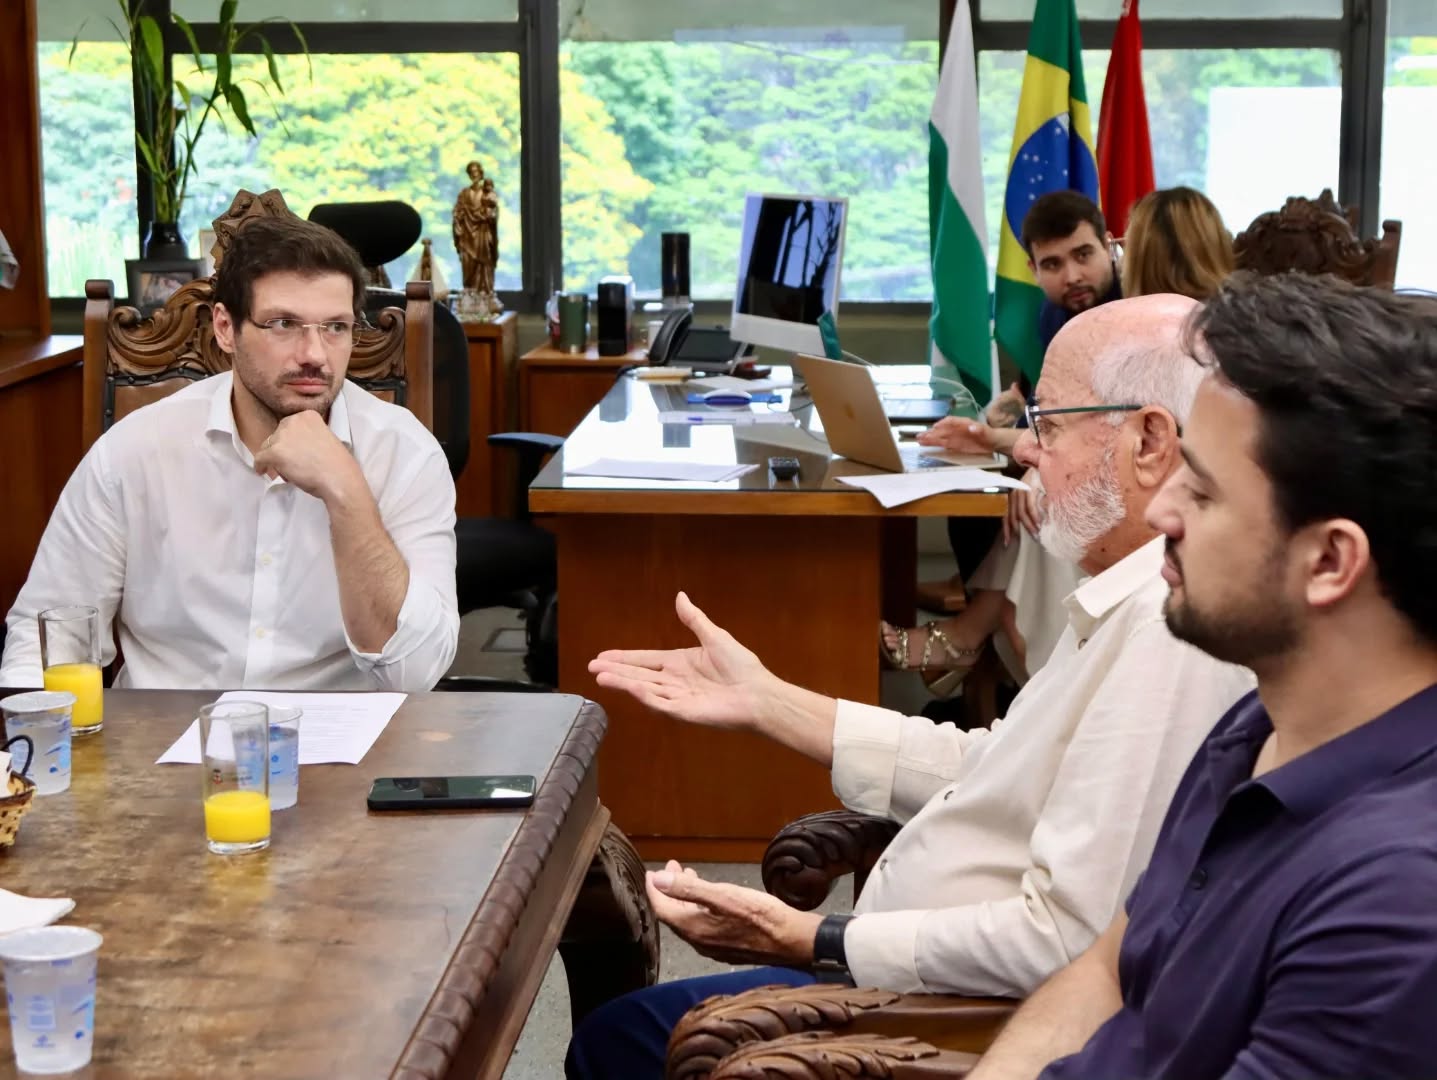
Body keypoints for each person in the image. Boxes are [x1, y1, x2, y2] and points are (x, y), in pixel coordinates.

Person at [564, 295, 1255, 1080]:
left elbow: (1067, 940)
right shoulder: (1127, 586)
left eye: (1048, 425)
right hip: (912, 974)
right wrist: (770, 701)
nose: (1027, 451)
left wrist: (813, 940)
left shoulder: (1168, 626)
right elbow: (997, 765)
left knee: (620, 1042)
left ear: (1149, 441)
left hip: (952, 1016)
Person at [966, 274, 1437, 1080]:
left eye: (1203, 490)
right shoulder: (1255, 727)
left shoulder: (1392, 901)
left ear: (1329, 561)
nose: (1160, 512)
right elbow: (1110, 969)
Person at [0, 215, 459, 691]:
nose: (315, 354)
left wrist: (346, 492)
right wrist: (46, 733)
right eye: (284, 324)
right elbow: (43, 643)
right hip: (162, 732)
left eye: (335, 327)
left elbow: (416, 673)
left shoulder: (404, 452)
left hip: (340, 734)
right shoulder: (134, 450)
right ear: (225, 328)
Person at [888, 187, 1236, 693]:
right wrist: (1025, 441)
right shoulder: (1081, 318)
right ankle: (996, 648)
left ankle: (1027, 668)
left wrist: (1027, 456)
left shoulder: (1186, 340)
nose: (1116, 257)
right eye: (1052, 263)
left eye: (1120, 246)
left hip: (1187, 505)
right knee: (1039, 500)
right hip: (1164, 493)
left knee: (1051, 510)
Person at [913, 191, 1122, 620]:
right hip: (1069, 449)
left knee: (1032, 497)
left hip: (1114, 465)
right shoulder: (1052, 315)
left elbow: (1108, 422)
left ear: (1108, 244)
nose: (1072, 276)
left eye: (1083, 255)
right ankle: (982, 618)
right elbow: (1045, 410)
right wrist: (1001, 421)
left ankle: (978, 627)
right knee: (974, 487)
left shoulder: (1131, 307)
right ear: (1032, 269)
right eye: (1053, 264)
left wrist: (1038, 457)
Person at [452, 160, 487, 293]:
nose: (474, 174)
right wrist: (457, 222)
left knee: (481, 263)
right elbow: (457, 211)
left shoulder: (486, 193)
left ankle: (481, 291)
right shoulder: (464, 193)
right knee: (467, 262)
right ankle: (469, 290)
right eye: (471, 172)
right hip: (466, 234)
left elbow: (491, 213)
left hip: (481, 235)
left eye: (476, 171)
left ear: (480, 173)